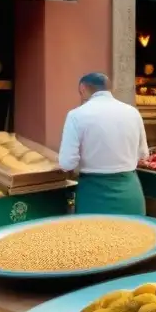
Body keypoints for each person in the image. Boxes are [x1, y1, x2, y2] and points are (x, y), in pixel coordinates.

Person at [58, 72, 148, 216]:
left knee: (95, 237)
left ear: (82, 88)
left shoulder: (76, 115)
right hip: (129, 191)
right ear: (109, 89)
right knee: (133, 235)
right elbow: (143, 153)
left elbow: (67, 163)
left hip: (93, 193)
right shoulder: (132, 112)